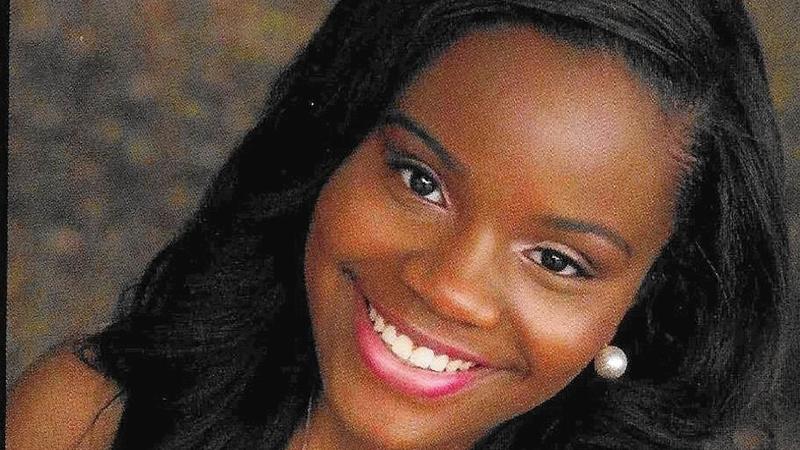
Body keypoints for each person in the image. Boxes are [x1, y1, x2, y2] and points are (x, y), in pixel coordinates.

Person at [7, 0, 791, 448]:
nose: (450, 288)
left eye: (557, 260)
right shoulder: (82, 423)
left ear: (646, 300)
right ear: (333, 148)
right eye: (421, 181)